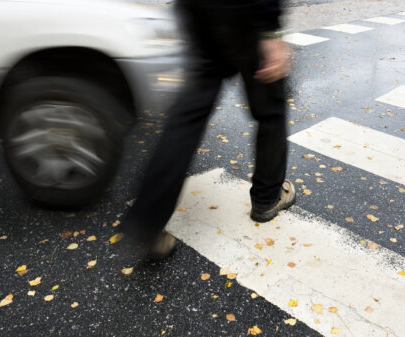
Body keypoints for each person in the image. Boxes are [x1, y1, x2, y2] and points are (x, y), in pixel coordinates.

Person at [122, 0, 295, 258]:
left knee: (188, 116)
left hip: (198, 9)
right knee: (270, 108)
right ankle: (267, 198)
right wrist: (270, 31)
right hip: (246, 13)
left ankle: (147, 221)